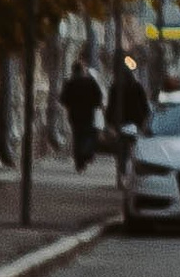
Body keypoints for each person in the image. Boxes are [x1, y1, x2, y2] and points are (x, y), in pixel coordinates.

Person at [104, 53, 150, 185]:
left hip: (120, 123)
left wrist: (109, 123)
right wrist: (144, 121)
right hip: (135, 123)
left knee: (121, 151)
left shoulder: (115, 87)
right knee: (133, 149)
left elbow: (111, 106)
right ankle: (129, 174)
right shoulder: (137, 87)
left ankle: (122, 173)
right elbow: (144, 106)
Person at [61, 57, 105, 173]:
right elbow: (99, 97)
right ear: (83, 70)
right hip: (88, 114)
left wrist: (71, 105)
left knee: (77, 137)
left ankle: (79, 163)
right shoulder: (90, 82)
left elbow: (63, 99)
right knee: (88, 135)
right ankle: (86, 154)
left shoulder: (70, 83)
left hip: (75, 115)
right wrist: (95, 105)